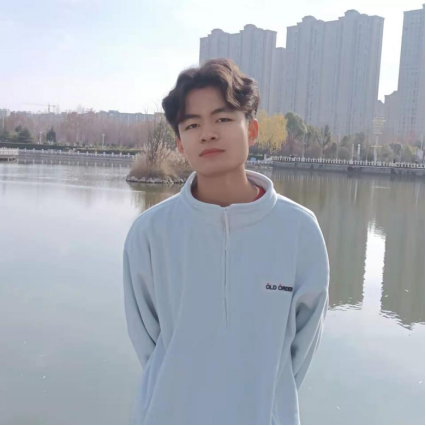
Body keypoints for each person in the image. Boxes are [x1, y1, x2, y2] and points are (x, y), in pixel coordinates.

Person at [123, 59, 330, 425]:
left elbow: (302, 345)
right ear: (180, 143)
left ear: (252, 130)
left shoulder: (298, 230)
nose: (207, 134)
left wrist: (267, 399)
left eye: (222, 119)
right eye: (192, 125)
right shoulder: (151, 233)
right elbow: (149, 343)